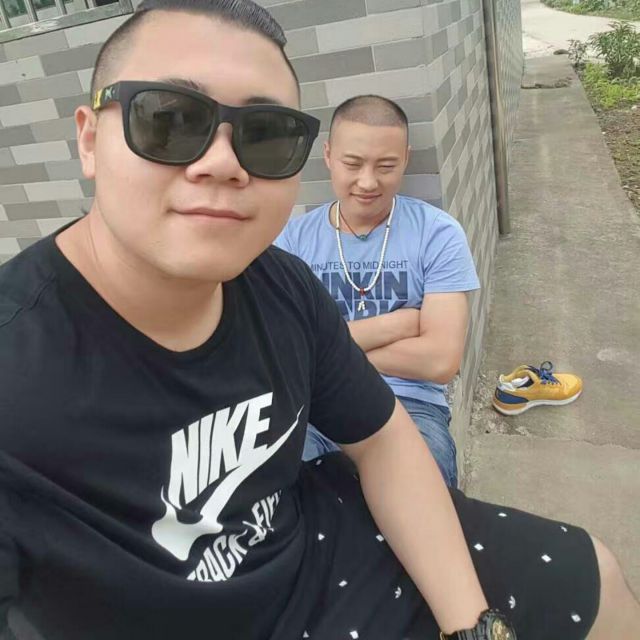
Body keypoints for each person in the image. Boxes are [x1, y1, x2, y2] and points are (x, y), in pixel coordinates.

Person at [0, 0, 637, 638]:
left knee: (594, 573)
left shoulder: (292, 277)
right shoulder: (19, 369)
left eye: (265, 134)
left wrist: (470, 628)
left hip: (316, 537)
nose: (222, 162)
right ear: (90, 140)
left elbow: (411, 399)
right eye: (168, 119)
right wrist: (389, 327)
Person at [275, 96, 477, 487]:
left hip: (411, 404)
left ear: (405, 159)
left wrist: (325, 354)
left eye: (386, 166)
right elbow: (284, 352)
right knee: (282, 492)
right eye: (353, 164)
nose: (368, 182)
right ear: (329, 156)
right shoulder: (292, 240)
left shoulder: (438, 233)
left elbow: (440, 360)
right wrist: (396, 325)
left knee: (422, 491)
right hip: (315, 405)